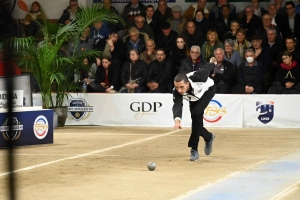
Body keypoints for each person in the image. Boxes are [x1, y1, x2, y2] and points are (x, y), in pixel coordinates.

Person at [172, 64, 216, 161]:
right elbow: (177, 105)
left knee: (196, 113)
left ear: (187, 83)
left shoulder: (199, 77)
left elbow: (206, 68)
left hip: (208, 91)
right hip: (193, 97)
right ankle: (208, 137)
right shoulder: (177, 90)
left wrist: (212, 63)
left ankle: (194, 149)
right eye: (177, 87)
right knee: (196, 121)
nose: (179, 90)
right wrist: (177, 120)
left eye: (181, 87)